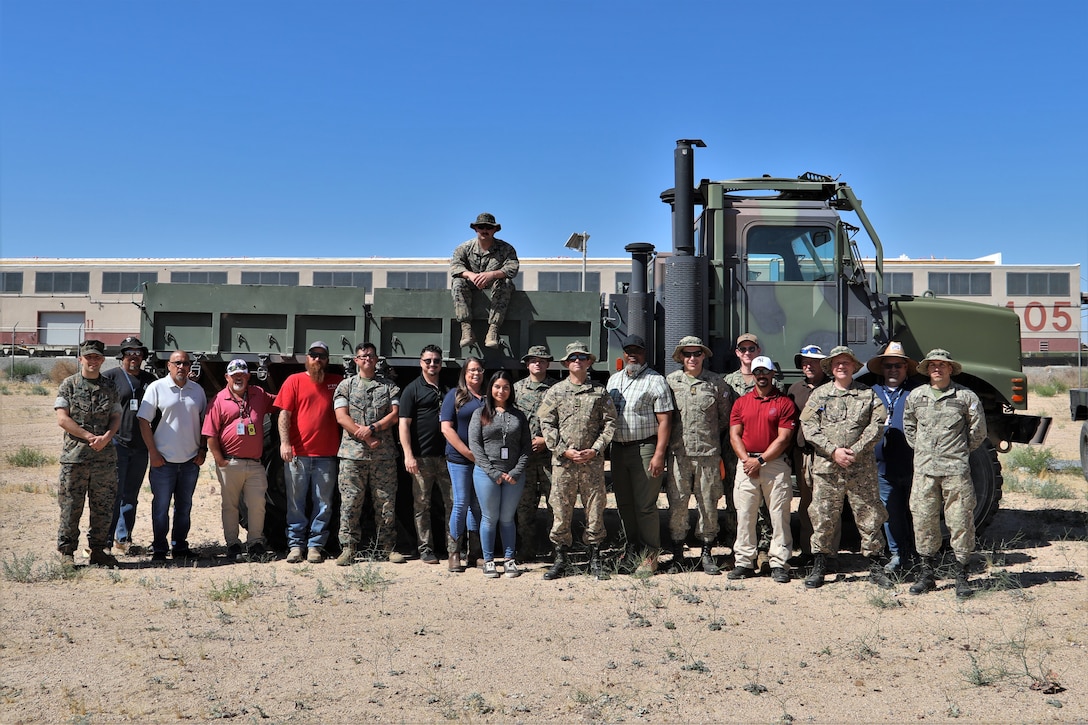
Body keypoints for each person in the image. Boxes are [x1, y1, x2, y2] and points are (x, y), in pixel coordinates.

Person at [799, 346, 893, 589]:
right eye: (837, 363)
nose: (841, 366)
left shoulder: (867, 395)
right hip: (828, 468)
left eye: (846, 362)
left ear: (854, 367)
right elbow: (809, 428)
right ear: (830, 367)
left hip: (860, 468)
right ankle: (820, 565)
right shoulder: (819, 395)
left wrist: (856, 450)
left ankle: (875, 566)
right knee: (822, 516)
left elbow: (878, 424)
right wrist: (834, 451)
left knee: (870, 516)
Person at [903, 349, 987, 598]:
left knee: (961, 521)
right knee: (924, 520)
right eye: (932, 365)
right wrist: (923, 451)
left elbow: (978, 431)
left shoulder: (965, 396)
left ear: (951, 369)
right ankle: (926, 574)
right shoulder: (916, 396)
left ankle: (961, 576)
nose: (937, 369)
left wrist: (958, 452)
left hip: (955, 472)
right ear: (927, 370)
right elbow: (909, 426)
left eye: (942, 365)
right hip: (925, 472)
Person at [537, 341, 617, 581]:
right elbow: (547, 423)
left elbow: (610, 423)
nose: (578, 361)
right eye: (573, 358)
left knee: (595, 511)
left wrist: (595, 449)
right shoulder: (556, 392)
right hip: (565, 464)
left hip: (591, 464)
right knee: (561, 511)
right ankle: (561, 558)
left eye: (582, 357)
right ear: (567, 363)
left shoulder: (599, 392)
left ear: (589, 362)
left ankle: (595, 558)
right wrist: (563, 450)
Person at [665, 336, 733, 575]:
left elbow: (725, 418)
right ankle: (677, 554)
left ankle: (706, 553)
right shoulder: (671, 382)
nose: (692, 358)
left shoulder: (716, 383)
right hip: (679, 454)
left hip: (708, 455)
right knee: (678, 505)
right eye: (687, 354)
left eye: (697, 354)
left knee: (708, 505)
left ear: (704, 355)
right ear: (681, 357)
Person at [606, 334, 673, 574]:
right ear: (623, 353)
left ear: (645, 353)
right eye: (628, 350)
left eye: (638, 350)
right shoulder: (613, 380)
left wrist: (658, 454)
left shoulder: (656, 381)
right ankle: (631, 548)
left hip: (644, 448)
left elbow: (665, 420)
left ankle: (650, 554)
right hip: (618, 449)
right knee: (624, 503)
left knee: (645, 505)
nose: (632, 354)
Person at [727, 355, 798, 583]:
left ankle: (779, 562)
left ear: (772, 374)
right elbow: (734, 434)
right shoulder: (741, 402)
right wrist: (747, 460)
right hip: (747, 462)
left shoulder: (784, 403)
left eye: (765, 372)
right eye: (757, 372)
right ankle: (744, 562)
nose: (761, 376)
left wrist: (761, 461)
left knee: (779, 514)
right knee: (745, 514)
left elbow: (784, 439)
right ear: (753, 375)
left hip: (774, 464)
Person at [333, 342, 402, 565]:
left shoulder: (389, 386)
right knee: (351, 502)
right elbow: (342, 417)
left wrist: (372, 429)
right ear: (356, 360)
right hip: (353, 455)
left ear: (376, 359)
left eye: (370, 355)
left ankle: (387, 547)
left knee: (386, 502)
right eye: (362, 356)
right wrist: (366, 436)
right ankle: (348, 548)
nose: (367, 359)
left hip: (383, 456)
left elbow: (394, 415)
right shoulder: (346, 386)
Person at [54, 340, 122, 567]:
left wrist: (107, 437)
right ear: (80, 359)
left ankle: (98, 550)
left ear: (102, 360)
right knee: (71, 506)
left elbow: (116, 416)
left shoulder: (110, 386)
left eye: (97, 357)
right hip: (75, 458)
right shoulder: (69, 385)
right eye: (88, 357)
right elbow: (63, 419)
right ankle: (66, 553)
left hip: (104, 458)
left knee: (103, 506)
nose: (93, 361)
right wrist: (89, 436)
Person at [276, 341, 343, 564]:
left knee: (323, 503)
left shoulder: (337, 383)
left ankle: (315, 546)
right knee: (296, 503)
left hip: (326, 456)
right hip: (298, 455)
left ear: (327, 360)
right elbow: (284, 414)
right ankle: (295, 546)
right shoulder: (293, 381)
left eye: (322, 356)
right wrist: (285, 444)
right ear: (307, 357)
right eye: (313, 355)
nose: (317, 359)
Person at [138, 349, 208, 563]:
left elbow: (205, 422)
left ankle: (180, 547)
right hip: (163, 462)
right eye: (177, 363)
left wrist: (202, 449)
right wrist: (153, 453)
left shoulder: (197, 391)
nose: (181, 367)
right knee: (160, 507)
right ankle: (159, 548)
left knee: (184, 507)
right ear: (168, 365)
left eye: (185, 363)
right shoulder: (156, 388)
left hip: (189, 461)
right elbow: (143, 421)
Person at [202, 359, 275, 562]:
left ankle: (255, 543)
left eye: (242, 374)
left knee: (257, 504)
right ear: (227, 377)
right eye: (234, 375)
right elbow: (210, 433)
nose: (238, 378)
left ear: (248, 376)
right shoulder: (218, 400)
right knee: (230, 506)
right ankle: (233, 543)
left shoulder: (259, 395)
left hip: (254, 463)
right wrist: (220, 461)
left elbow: (280, 402)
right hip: (229, 462)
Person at [468, 370, 531, 578]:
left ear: (511, 390)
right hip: (486, 474)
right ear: (490, 389)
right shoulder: (480, 414)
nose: (501, 391)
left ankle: (509, 559)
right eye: (497, 386)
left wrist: (515, 471)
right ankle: (488, 561)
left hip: (513, 475)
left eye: (505, 387)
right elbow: (475, 446)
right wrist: (492, 471)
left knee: (506, 518)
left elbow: (525, 447)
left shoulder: (518, 415)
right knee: (489, 517)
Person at [398, 344, 455, 565]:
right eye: (428, 361)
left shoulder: (449, 389)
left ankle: (453, 548)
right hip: (421, 458)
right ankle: (425, 548)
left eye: (436, 361)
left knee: (453, 504)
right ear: (421, 363)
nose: (432, 364)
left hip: (447, 458)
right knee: (422, 505)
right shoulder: (412, 390)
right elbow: (403, 425)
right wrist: (408, 455)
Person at [867, 341, 920, 574]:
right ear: (882, 369)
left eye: (898, 365)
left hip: (913, 465)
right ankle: (897, 554)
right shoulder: (871, 394)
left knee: (918, 512)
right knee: (890, 513)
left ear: (906, 368)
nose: (893, 370)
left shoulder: (916, 394)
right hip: (882, 467)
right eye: (888, 366)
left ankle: (921, 556)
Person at [103, 336, 156, 555]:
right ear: (122, 356)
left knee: (131, 495)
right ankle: (104, 541)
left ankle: (123, 539)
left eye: (138, 353)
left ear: (143, 357)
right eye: (129, 353)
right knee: (113, 493)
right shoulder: (110, 377)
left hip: (141, 446)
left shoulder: (150, 380)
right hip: (118, 444)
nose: (134, 357)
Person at [786, 344, 833, 564]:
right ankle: (807, 551)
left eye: (813, 362)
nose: (808, 366)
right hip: (802, 454)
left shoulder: (833, 388)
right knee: (806, 503)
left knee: (828, 504)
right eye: (804, 362)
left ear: (823, 365)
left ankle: (828, 554)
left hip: (826, 455)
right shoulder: (795, 389)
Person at [441, 357, 486, 572]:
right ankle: (454, 553)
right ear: (464, 374)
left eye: (478, 370)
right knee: (460, 503)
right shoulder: (455, 396)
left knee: (477, 505)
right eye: (471, 371)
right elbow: (446, 428)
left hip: (482, 461)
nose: (475, 374)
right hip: (459, 459)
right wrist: (467, 453)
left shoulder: (487, 398)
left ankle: (475, 553)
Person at [450, 212, 520, 349]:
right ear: (476, 229)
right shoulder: (464, 248)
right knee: (457, 282)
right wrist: (470, 275)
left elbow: (513, 268)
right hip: (471, 285)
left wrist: (492, 274)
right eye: (481, 227)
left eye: (488, 227)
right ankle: (466, 329)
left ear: (494, 230)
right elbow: (455, 267)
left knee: (505, 283)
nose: (484, 230)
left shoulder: (506, 249)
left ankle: (493, 330)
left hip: (495, 286)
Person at [513, 345, 555, 561]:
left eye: (541, 360)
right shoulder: (517, 389)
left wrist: (546, 441)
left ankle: (556, 551)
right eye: (533, 360)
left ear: (548, 363)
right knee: (525, 506)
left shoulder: (557, 389)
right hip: (525, 458)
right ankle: (526, 548)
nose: (537, 363)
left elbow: (565, 422)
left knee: (555, 505)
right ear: (527, 364)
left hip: (550, 457)